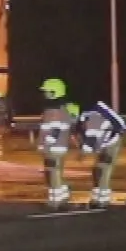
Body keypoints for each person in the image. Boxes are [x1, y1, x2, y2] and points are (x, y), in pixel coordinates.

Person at [75, 100, 126, 209]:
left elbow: (121, 125)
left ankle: (103, 199)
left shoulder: (101, 109)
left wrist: (110, 135)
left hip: (111, 143)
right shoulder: (84, 114)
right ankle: (96, 196)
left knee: (104, 168)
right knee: (96, 170)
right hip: (100, 143)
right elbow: (84, 133)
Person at [37, 78, 78, 211]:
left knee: (52, 173)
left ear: (55, 92)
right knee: (55, 173)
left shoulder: (56, 109)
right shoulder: (61, 108)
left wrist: (46, 144)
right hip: (57, 147)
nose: (45, 94)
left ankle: (55, 201)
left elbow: (55, 128)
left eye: (47, 92)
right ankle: (63, 194)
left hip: (53, 147)